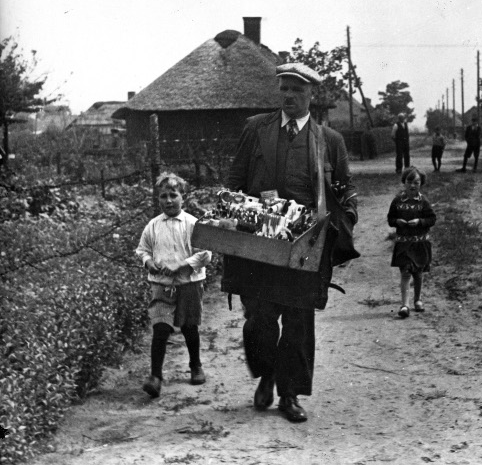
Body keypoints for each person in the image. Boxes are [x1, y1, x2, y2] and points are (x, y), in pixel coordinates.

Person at [223, 62, 359, 423]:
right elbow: (234, 181)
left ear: (311, 95)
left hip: (305, 250)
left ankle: (289, 394)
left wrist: (341, 224)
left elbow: (346, 193)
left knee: (298, 322)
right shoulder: (255, 129)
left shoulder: (329, 140)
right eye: (284, 88)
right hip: (259, 247)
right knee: (259, 319)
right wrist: (230, 215)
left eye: (296, 90)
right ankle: (267, 374)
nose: (288, 95)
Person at [136, 172, 212, 398]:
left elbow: (205, 254)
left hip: (188, 283)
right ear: (158, 199)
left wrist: (182, 265)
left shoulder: (192, 224)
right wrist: (148, 262)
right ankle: (156, 376)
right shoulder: (153, 226)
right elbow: (142, 249)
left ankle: (195, 365)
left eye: (173, 195)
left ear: (183, 197)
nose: (168, 201)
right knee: (160, 328)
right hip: (161, 284)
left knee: (189, 327)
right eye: (163, 197)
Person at [387, 166, 437, 318]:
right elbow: (390, 219)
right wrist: (398, 222)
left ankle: (418, 299)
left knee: (418, 273)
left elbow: (432, 219)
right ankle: (405, 305)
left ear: (421, 184)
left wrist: (420, 221)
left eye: (416, 182)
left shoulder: (423, 202)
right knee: (405, 273)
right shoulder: (397, 201)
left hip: (419, 243)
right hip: (403, 243)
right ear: (404, 182)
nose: (412, 185)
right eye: (409, 181)